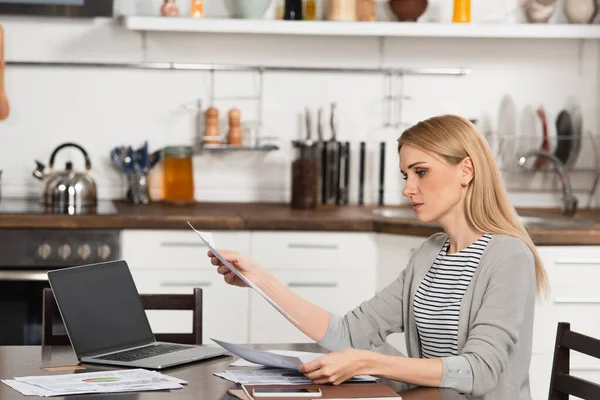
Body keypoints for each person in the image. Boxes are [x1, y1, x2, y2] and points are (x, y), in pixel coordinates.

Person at [207, 115, 549, 400]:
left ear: (466, 170)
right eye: (406, 175)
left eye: (421, 172)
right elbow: (351, 332)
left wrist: (369, 363)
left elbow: (480, 371)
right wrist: (261, 280)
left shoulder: (508, 256)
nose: (407, 188)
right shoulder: (429, 255)